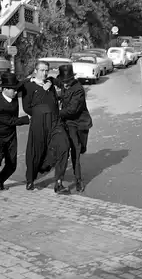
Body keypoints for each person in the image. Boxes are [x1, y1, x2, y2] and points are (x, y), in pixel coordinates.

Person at [21, 60, 70, 194]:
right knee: (36, 150)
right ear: (35, 71)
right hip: (39, 122)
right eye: (42, 70)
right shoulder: (28, 86)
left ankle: (59, 182)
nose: (44, 73)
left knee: (64, 146)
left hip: (55, 121)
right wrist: (40, 111)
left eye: (46, 70)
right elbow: (27, 107)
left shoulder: (51, 83)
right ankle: (30, 179)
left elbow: (58, 96)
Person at [48, 65, 93, 193]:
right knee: (69, 150)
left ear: (72, 79)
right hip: (69, 123)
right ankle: (75, 181)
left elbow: (72, 110)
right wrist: (49, 79)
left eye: (67, 82)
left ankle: (77, 178)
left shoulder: (78, 89)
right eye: (63, 82)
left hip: (80, 123)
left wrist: (55, 113)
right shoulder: (63, 83)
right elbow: (56, 82)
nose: (65, 85)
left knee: (80, 150)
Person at [0, 73, 30, 190]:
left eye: (17, 89)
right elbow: (11, 121)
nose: (17, 92)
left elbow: (22, 85)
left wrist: (32, 79)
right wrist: (27, 119)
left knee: (12, 165)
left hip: (11, 136)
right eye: (14, 90)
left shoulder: (13, 94)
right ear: (5, 89)